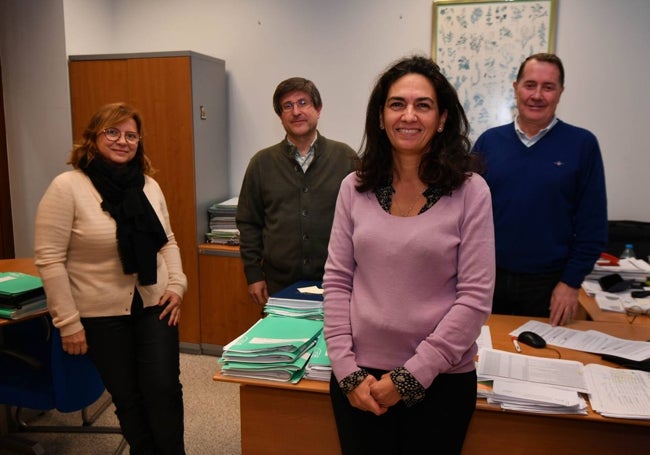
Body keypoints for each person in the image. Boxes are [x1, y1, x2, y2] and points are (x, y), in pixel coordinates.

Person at [323, 55, 495, 454]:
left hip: (440, 382)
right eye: (397, 104)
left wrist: (408, 378)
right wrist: (346, 371)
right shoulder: (354, 187)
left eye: (423, 105)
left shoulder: (471, 192)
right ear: (381, 117)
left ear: (442, 118)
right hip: (359, 382)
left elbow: (474, 299)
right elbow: (336, 282)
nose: (409, 116)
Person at [34, 102, 187, 454]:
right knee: (129, 397)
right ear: (93, 137)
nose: (123, 141)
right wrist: (68, 322)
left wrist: (177, 284)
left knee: (164, 389)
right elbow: (50, 260)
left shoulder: (149, 186)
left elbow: (168, 242)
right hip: (100, 315)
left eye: (131, 135)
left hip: (156, 304)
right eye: (113, 132)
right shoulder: (68, 187)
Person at [472, 53, 608, 327]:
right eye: (530, 85)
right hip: (486, 280)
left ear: (560, 93)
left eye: (548, 87)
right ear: (516, 88)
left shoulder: (582, 145)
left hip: (549, 286)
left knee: (543, 363)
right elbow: (462, 214)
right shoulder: (488, 142)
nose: (537, 95)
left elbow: (592, 225)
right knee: (483, 357)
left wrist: (570, 283)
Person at [236, 76, 359, 304]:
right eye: (287, 106)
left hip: (337, 282)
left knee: (335, 339)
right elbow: (249, 222)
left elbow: (364, 219)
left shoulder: (346, 159)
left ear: (318, 109)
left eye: (303, 103)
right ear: (280, 116)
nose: (296, 112)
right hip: (278, 284)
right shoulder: (261, 163)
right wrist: (253, 274)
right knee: (282, 340)